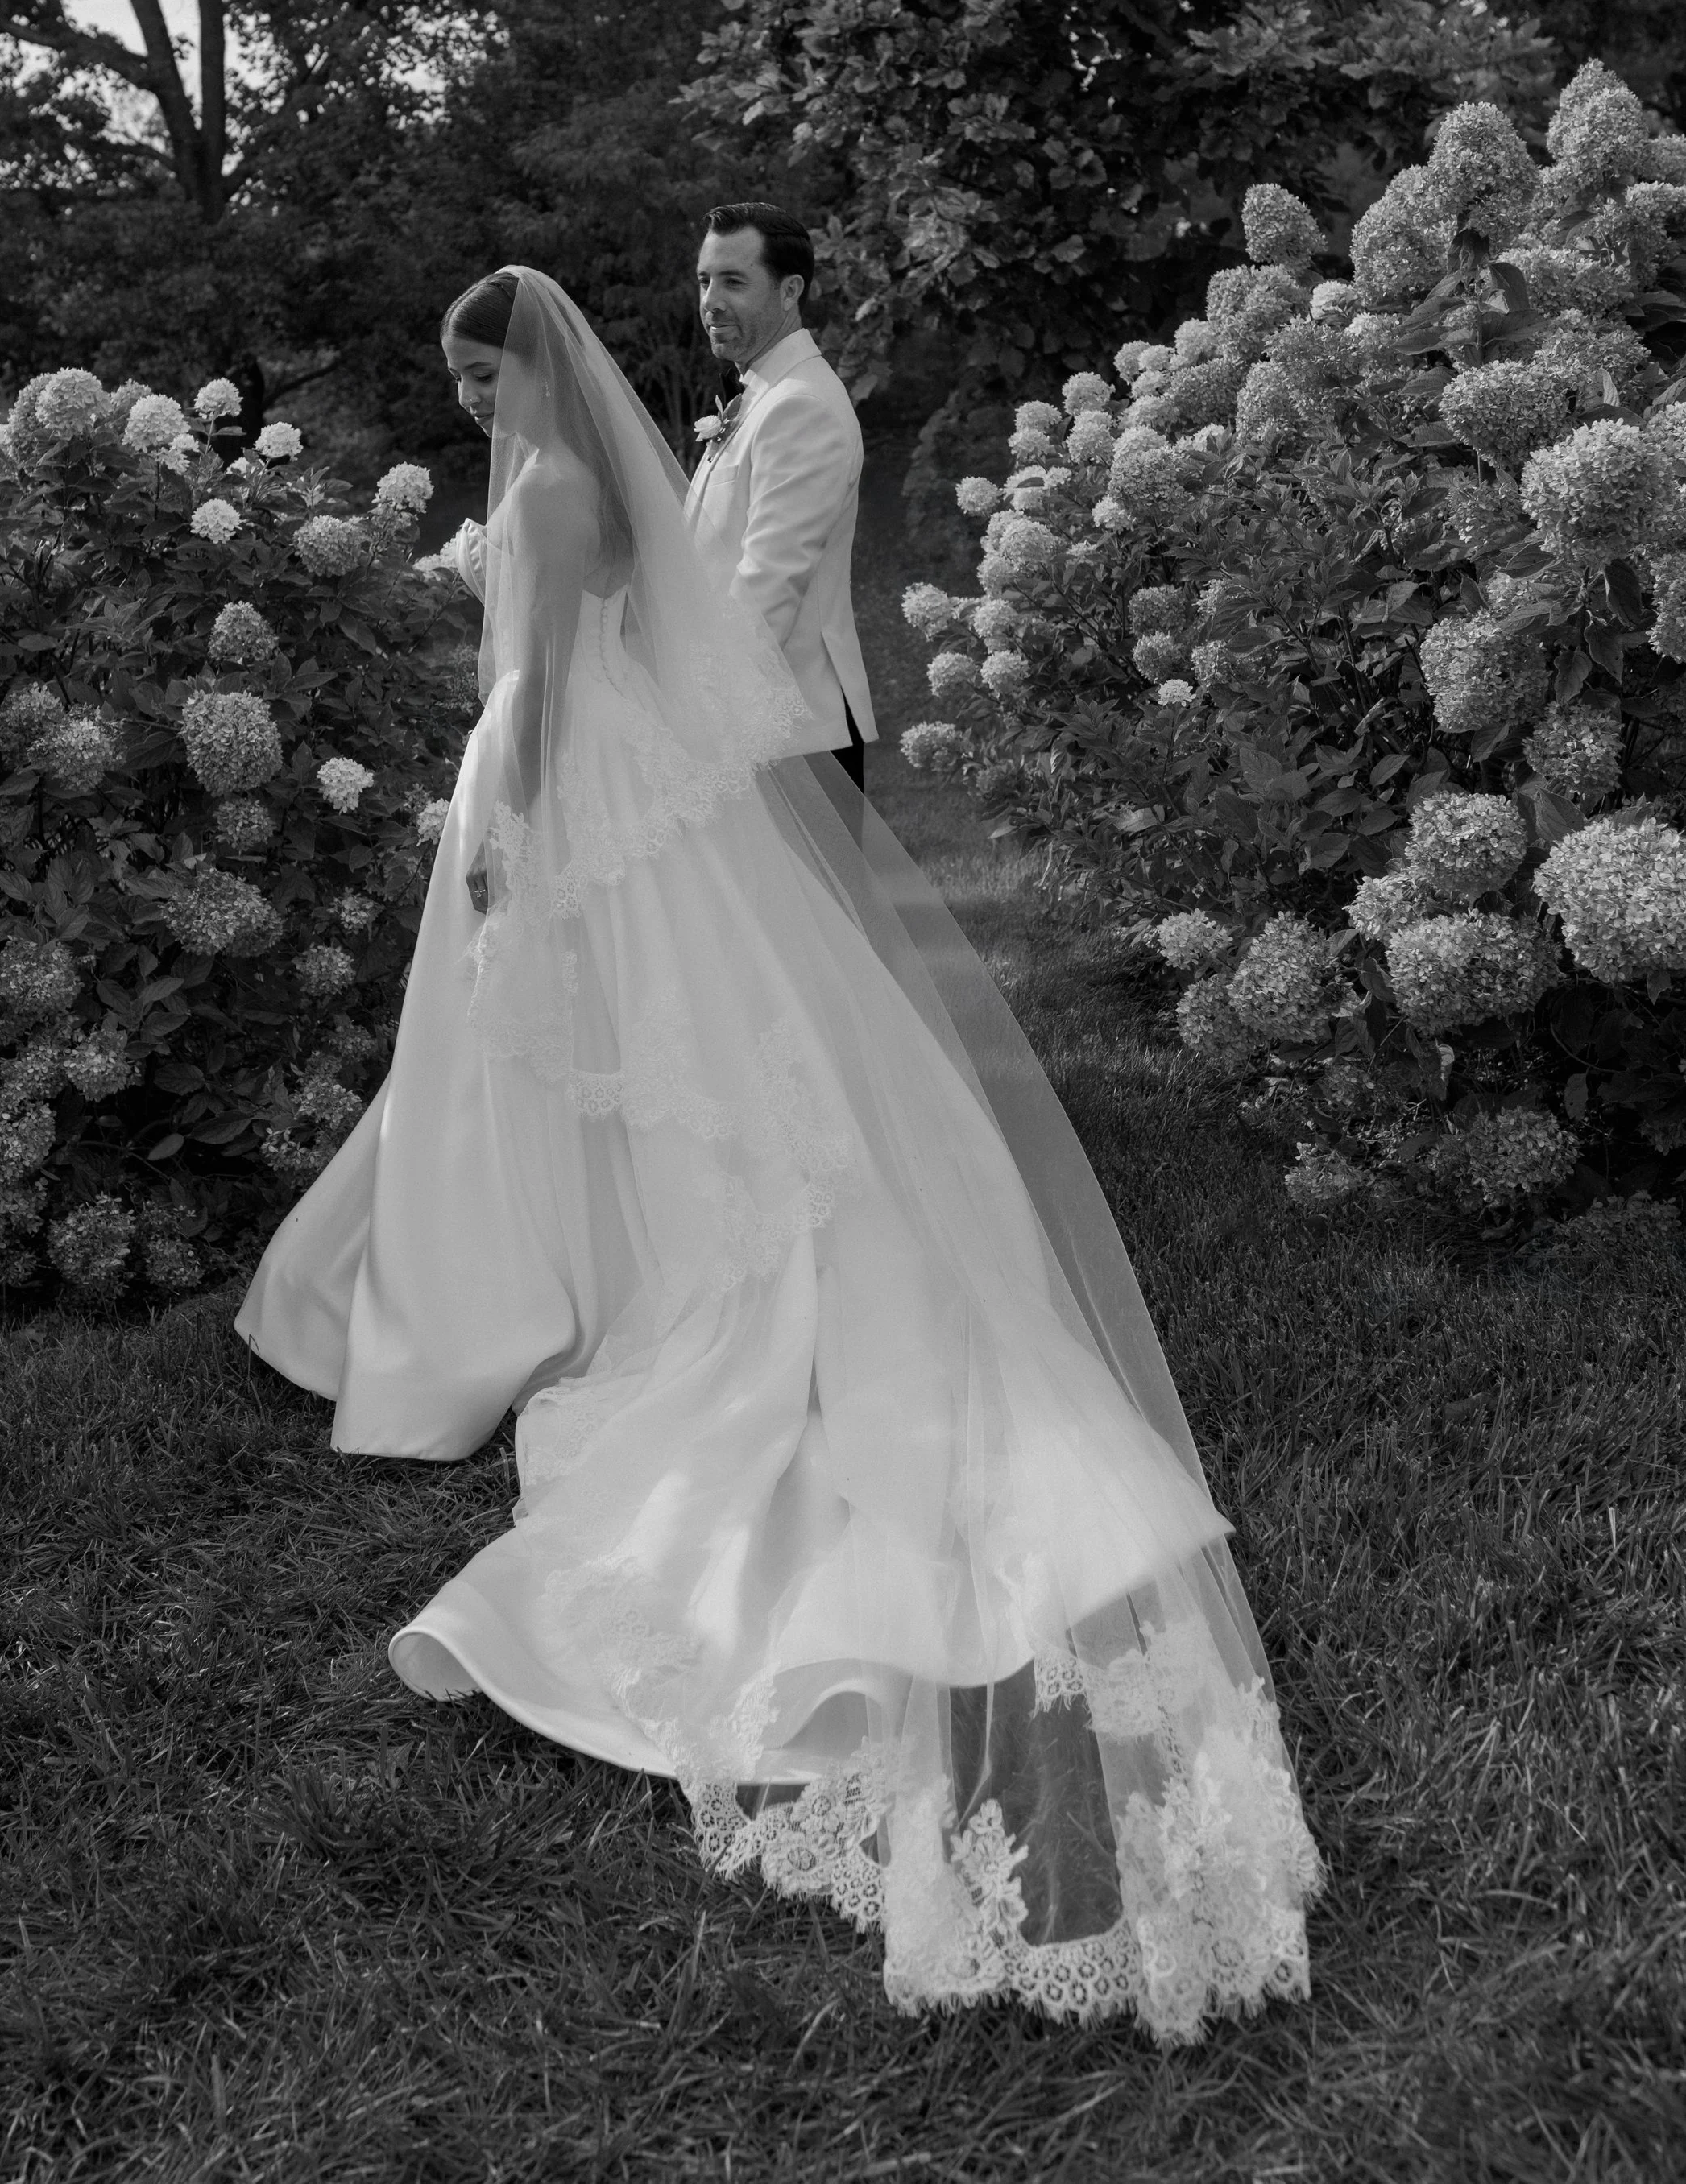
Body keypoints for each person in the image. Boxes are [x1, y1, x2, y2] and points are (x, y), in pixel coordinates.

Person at [234, 267, 1321, 2039]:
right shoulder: (563, 479)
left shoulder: (564, 484)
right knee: (614, 1078)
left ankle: (498, 1293)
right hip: (600, 779)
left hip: (548, 786)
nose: (457, 393)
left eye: (473, 366)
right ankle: (515, 1265)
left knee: (569, 1074)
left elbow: (526, 677)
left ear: (530, 368)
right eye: (445, 368)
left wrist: (501, 833)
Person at [688, 205, 876, 788]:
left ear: (791, 290)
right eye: (704, 280)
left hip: (793, 731)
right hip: (759, 723)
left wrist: (692, 711)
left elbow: (768, 586)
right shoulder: (762, 392)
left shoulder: (801, 406)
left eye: (734, 281)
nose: (711, 300)